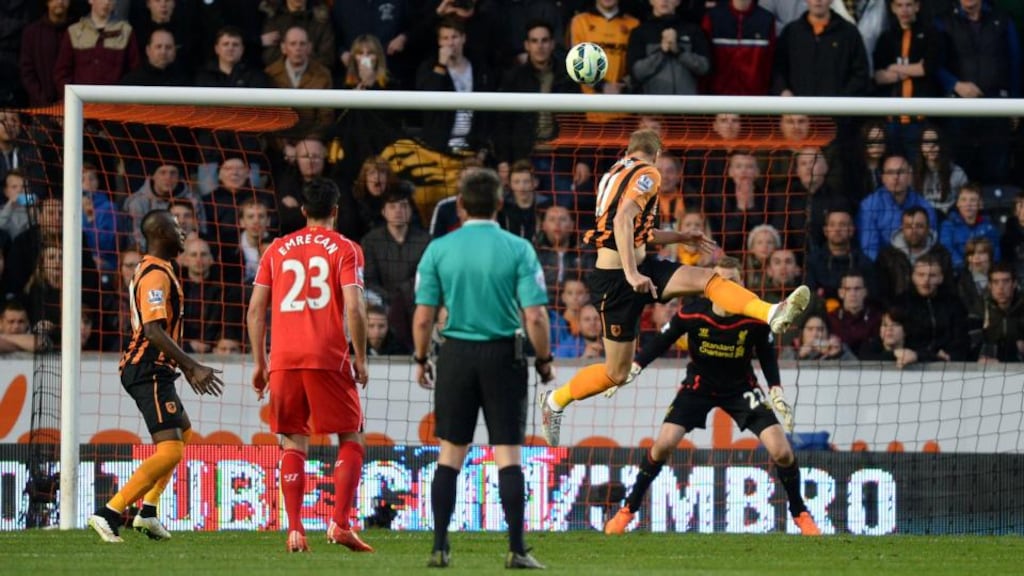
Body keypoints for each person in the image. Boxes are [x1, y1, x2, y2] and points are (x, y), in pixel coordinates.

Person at [539, 129, 811, 447]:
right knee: (616, 372)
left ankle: (771, 311)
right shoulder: (647, 173)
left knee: (708, 281)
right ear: (656, 154)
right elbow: (622, 222)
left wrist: (682, 237)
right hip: (617, 279)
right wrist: (630, 272)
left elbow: (639, 231)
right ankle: (555, 401)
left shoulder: (612, 174)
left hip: (641, 266)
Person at [602, 257, 821, 536]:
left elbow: (766, 354)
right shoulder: (692, 313)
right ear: (711, 286)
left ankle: (800, 513)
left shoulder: (755, 317)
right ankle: (627, 511)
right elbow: (660, 342)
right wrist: (633, 369)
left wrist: (775, 387)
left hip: (740, 388)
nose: (730, 288)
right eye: (723, 282)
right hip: (699, 386)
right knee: (663, 445)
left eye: (735, 282)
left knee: (782, 451)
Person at [411, 167, 553, 569]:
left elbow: (424, 317)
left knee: (450, 453)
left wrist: (422, 359)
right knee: (507, 452)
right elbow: (537, 317)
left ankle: (439, 547)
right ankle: (517, 549)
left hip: (455, 355)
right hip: (503, 357)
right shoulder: (518, 248)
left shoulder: (439, 248)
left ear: (459, 205)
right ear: (499, 204)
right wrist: (543, 361)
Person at [246, 177, 373, 554]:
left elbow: (255, 310)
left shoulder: (276, 249)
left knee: (292, 439)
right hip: (327, 356)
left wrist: (260, 362)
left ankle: (296, 530)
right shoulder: (347, 249)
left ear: (303, 211)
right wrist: (361, 357)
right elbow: (355, 306)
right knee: (352, 435)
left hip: (284, 359)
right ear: (335, 210)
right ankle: (339, 524)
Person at [87, 209, 224, 543]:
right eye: (177, 227)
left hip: (156, 368)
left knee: (185, 435)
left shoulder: (161, 269)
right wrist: (192, 365)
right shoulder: (154, 274)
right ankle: (109, 513)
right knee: (171, 451)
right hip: (147, 368)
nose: (183, 232)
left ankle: (147, 511)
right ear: (161, 233)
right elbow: (152, 329)